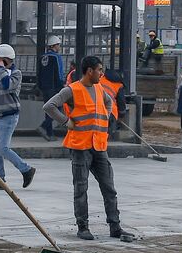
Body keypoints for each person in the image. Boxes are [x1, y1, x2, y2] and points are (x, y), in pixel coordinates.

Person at [44, 55, 137, 242]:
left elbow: (108, 103)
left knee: (109, 188)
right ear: (89, 71)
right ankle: (83, 227)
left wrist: (107, 115)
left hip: (99, 146)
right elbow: (50, 106)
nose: (102, 74)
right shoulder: (72, 89)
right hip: (80, 147)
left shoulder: (99, 88)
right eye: (99, 70)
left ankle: (115, 226)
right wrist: (66, 122)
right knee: (81, 188)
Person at [0, 43, 37, 192]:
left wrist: (1, 68)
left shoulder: (16, 73)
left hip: (9, 116)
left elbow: (7, 85)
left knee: (2, 147)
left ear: (5, 60)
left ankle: (26, 170)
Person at [37, 34, 65, 141]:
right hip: (54, 88)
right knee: (56, 109)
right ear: (54, 45)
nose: (59, 47)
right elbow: (59, 73)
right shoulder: (56, 57)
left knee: (48, 110)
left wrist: (40, 86)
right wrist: (61, 86)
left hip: (45, 88)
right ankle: (44, 126)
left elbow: (39, 73)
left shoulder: (42, 57)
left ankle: (49, 133)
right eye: (58, 45)